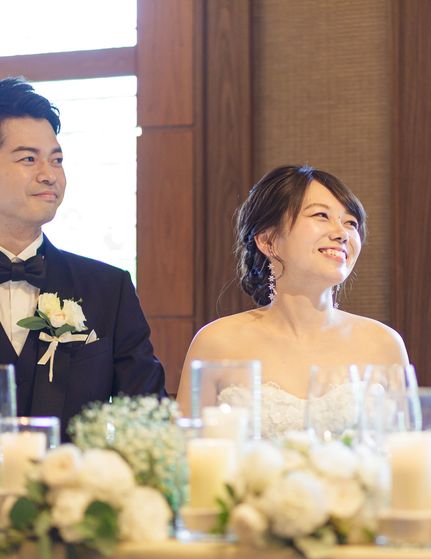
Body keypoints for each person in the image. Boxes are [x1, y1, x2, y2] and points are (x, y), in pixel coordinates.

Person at [177, 165, 409, 438]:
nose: (342, 233)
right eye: (321, 215)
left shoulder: (384, 344)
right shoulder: (216, 343)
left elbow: (405, 453)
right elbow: (183, 454)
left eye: (351, 223)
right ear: (268, 240)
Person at [0, 77, 165, 441]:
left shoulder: (108, 289)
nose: (49, 175)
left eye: (56, 160)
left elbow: (148, 418)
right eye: (29, 159)